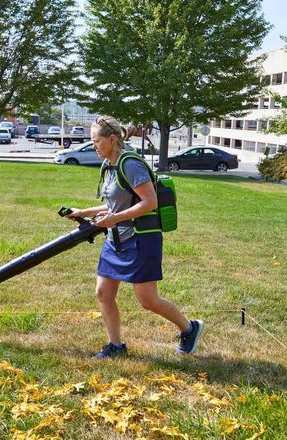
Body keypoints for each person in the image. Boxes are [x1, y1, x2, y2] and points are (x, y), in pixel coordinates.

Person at [67, 115, 204, 359]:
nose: (93, 146)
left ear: (111, 139)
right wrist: (83, 212)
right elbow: (115, 205)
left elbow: (149, 203)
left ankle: (189, 328)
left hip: (141, 239)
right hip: (117, 238)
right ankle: (116, 346)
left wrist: (114, 219)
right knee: (103, 293)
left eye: (96, 141)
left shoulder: (130, 164)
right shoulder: (108, 164)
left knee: (148, 300)